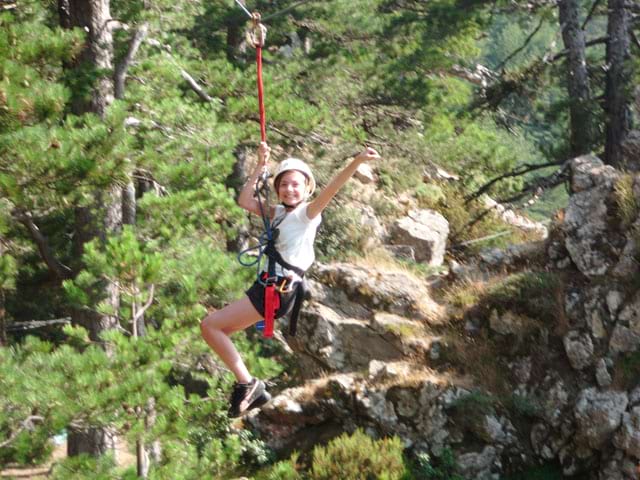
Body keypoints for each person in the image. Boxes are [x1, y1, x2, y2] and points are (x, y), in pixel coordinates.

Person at [200, 141, 380, 417]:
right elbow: (245, 201)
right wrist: (260, 166)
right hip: (269, 286)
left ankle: (248, 384)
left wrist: (356, 162)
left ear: (307, 188)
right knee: (218, 331)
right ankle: (248, 385)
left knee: (210, 326)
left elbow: (332, 188)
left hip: (278, 289)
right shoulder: (279, 213)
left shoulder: (307, 215)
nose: (289, 189)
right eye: (283, 185)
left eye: (296, 184)